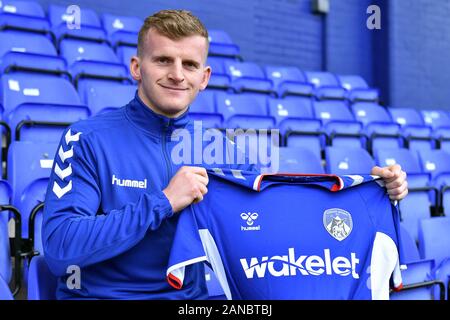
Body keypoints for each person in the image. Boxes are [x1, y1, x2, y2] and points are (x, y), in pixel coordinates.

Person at [42, 9, 408, 300]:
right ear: (137, 68)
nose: (176, 75)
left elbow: (284, 221)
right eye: (163, 60)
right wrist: (165, 201)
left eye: (189, 65)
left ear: (205, 77)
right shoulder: (87, 139)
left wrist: (373, 193)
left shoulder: (223, 152)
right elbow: (61, 249)